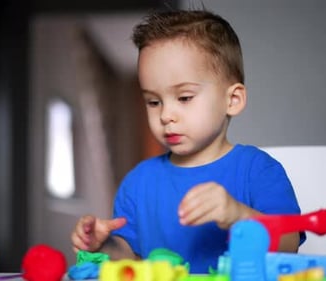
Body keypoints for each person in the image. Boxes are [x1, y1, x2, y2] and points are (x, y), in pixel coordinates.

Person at [71, 9, 303, 273]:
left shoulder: (258, 170)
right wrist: (103, 246)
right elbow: (130, 260)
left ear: (233, 100)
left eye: (184, 97)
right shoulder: (138, 183)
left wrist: (239, 216)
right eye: (153, 101)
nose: (166, 115)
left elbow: (289, 244)